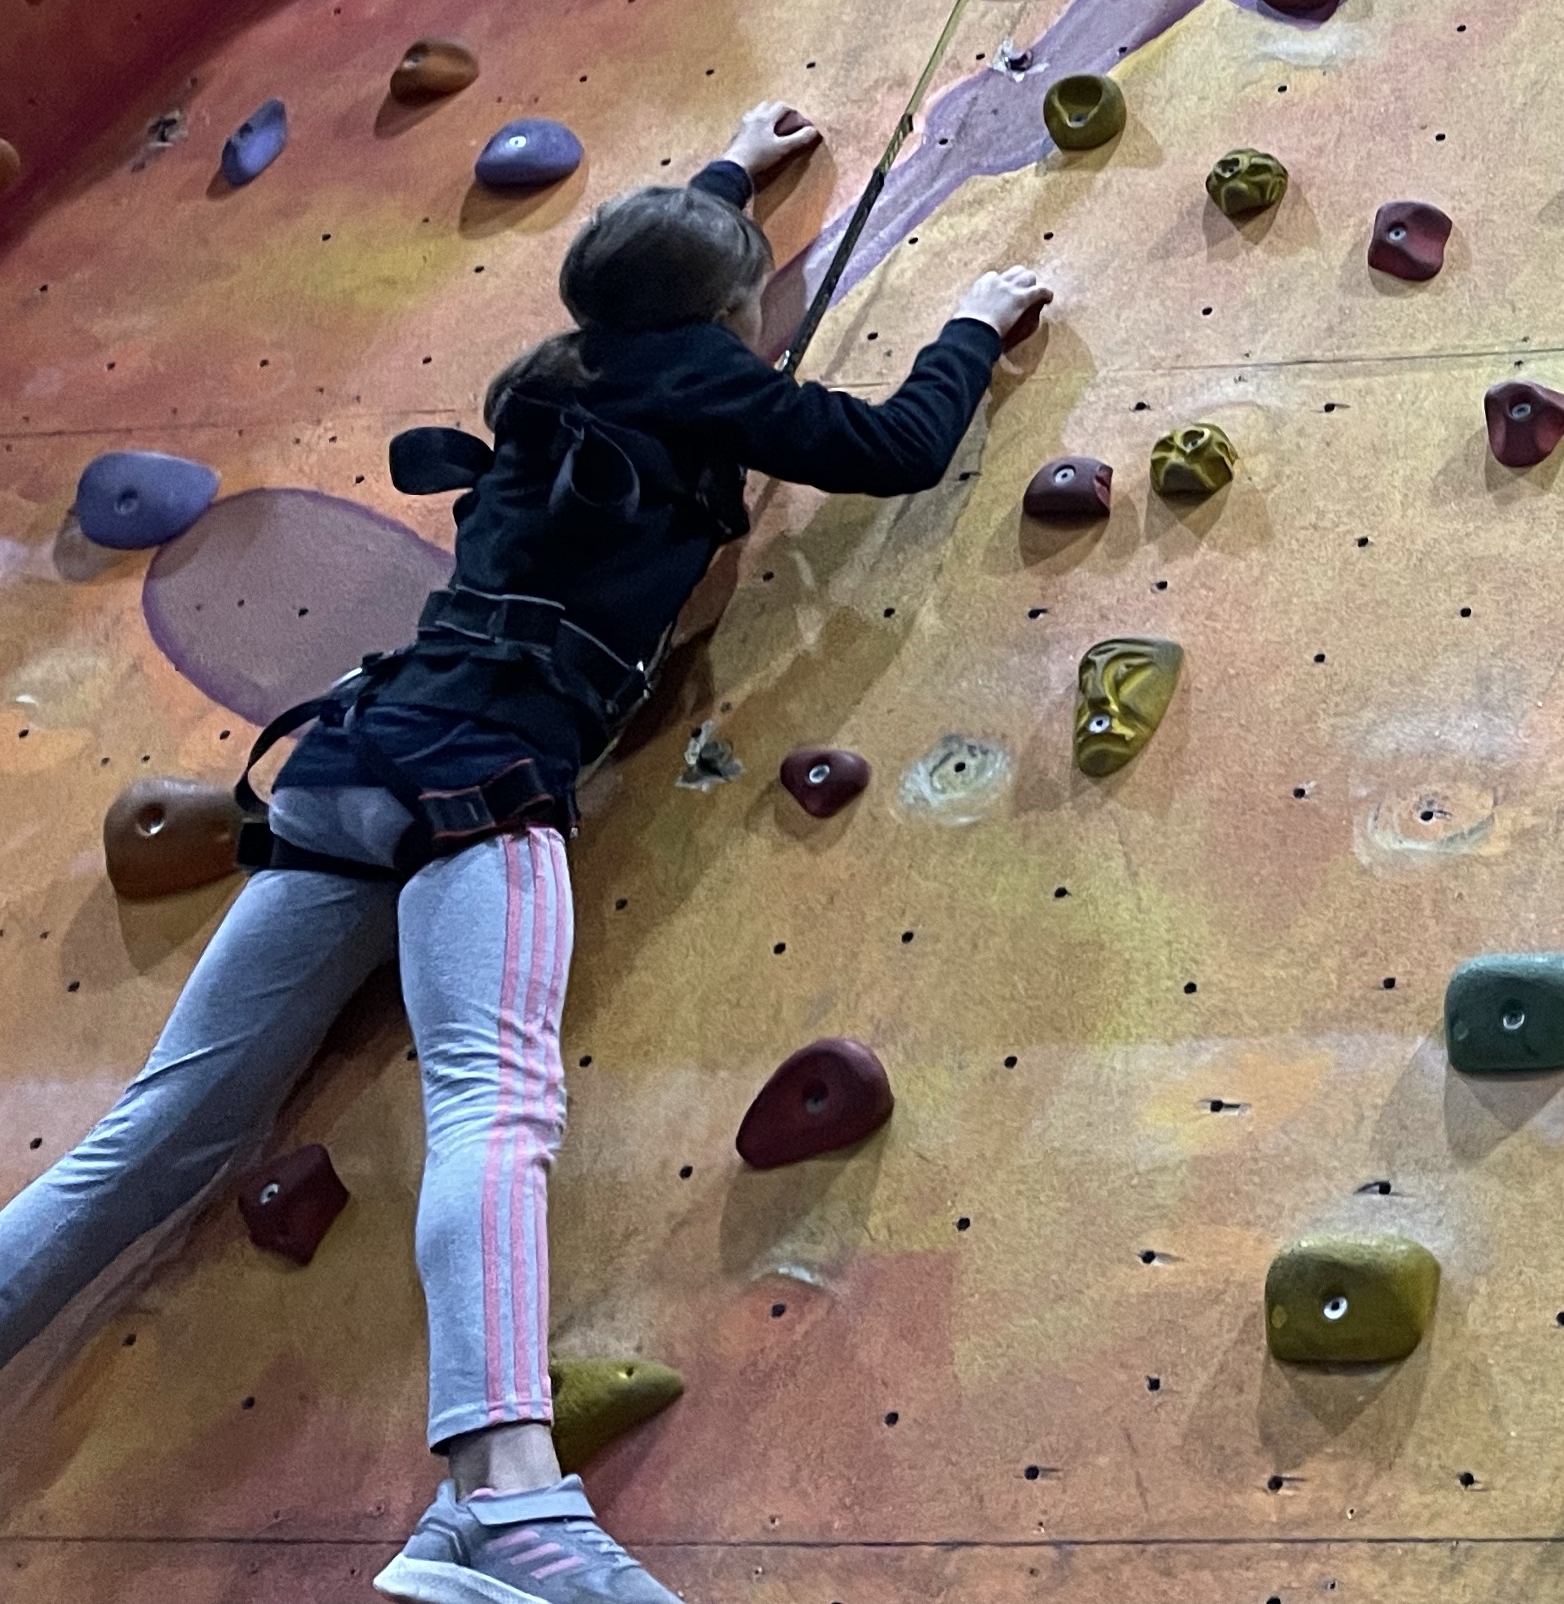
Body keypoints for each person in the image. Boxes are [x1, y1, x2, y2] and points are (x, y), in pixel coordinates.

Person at [0, 104, 1046, 1604]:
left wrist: (725, 173)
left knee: (161, 1129)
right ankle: (503, 1504)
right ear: (725, 314)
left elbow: (642, 281)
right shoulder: (707, 378)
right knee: (492, 1107)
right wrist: (972, 324)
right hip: (486, 778)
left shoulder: (555, 374)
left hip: (353, 755)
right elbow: (894, 446)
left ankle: (476, 1516)